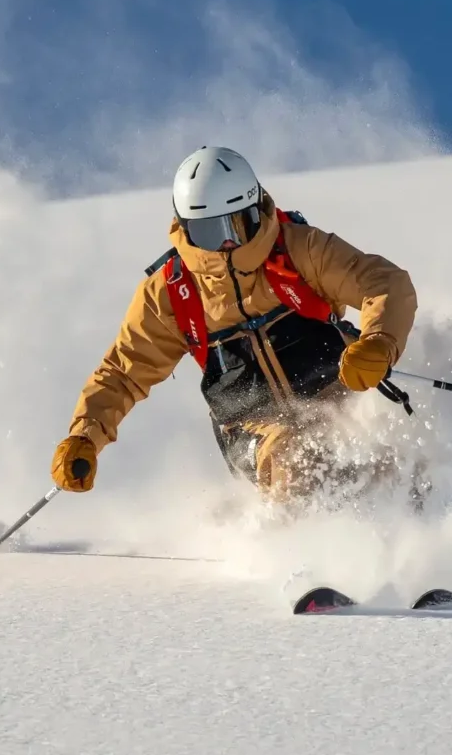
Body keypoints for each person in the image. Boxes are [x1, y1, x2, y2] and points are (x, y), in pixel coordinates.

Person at [51, 146, 418, 502]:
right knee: (294, 458)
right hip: (252, 426)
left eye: (240, 225)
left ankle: (431, 523)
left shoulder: (297, 249)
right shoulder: (171, 292)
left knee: (387, 450)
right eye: (212, 231)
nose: (228, 243)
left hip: (335, 394)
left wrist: (379, 342)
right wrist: (84, 437)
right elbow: (122, 373)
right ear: (187, 228)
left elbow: (384, 282)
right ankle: (306, 552)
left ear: (257, 209)